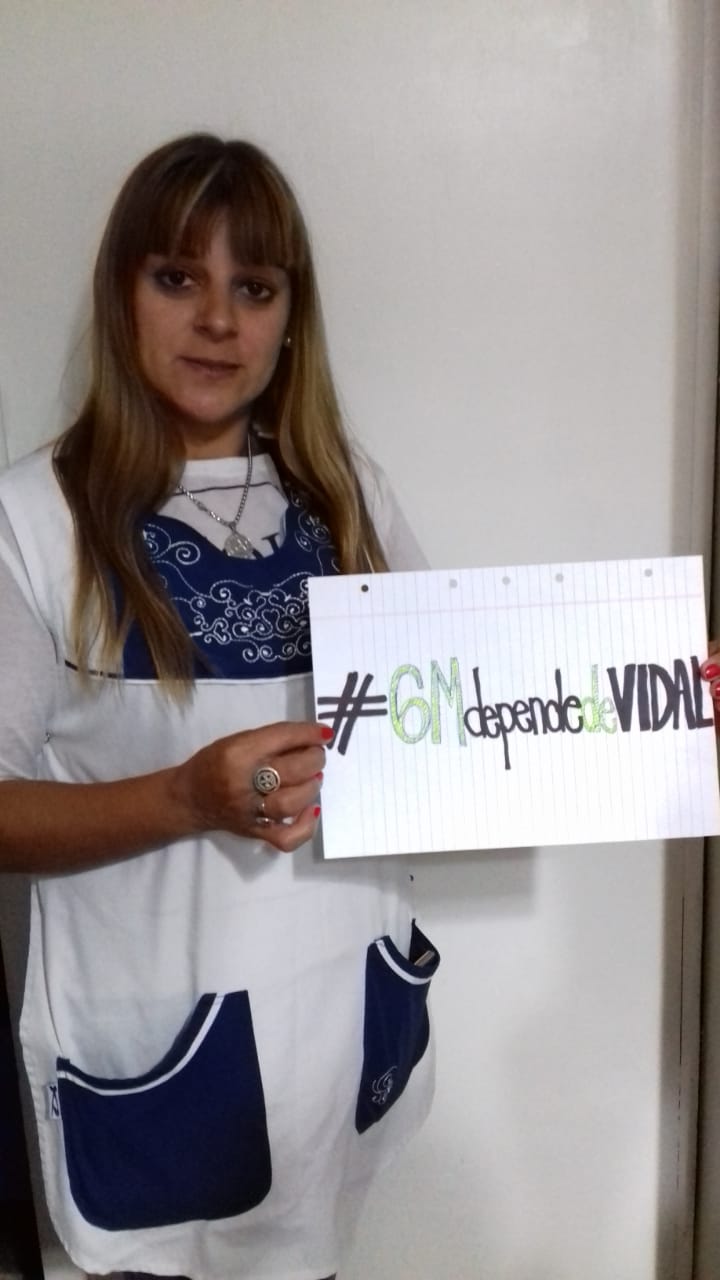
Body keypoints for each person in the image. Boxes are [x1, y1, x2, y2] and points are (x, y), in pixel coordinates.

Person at [0, 134, 438, 1280]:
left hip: (340, 1033)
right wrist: (189, 797)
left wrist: (640, 700)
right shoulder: (33, 522)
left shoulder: (345, 491)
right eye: (177, 276)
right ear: (122, 294)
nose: (217, 321)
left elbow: (456, 715)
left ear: (292, 316)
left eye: (255, 287)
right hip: (156, 1058)